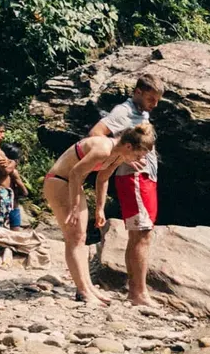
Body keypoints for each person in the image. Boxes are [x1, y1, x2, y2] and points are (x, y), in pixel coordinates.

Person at [42, 124, 156, 305]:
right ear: (128, 146)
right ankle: (83, 291)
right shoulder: (103, 149)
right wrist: (74, 206)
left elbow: (103, 178)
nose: (139, 160)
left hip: (72, 184)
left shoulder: (118, 155)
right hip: (59, 182)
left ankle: (88, 287)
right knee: (74, 237)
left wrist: (100, 208)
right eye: (138, 155)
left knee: (81, 237)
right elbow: (75, 172)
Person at [91, 73, 163, 306]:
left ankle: (135, 291)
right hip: (134, 179)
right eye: (151, 99)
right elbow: (95, 135)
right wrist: (124, 158)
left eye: (158, 100)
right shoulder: (123, 111)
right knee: (141, 235)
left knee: (140, 235)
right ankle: (139, 294)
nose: (155, 105)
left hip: (145, 179)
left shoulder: (142, 113)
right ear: (138, 92)